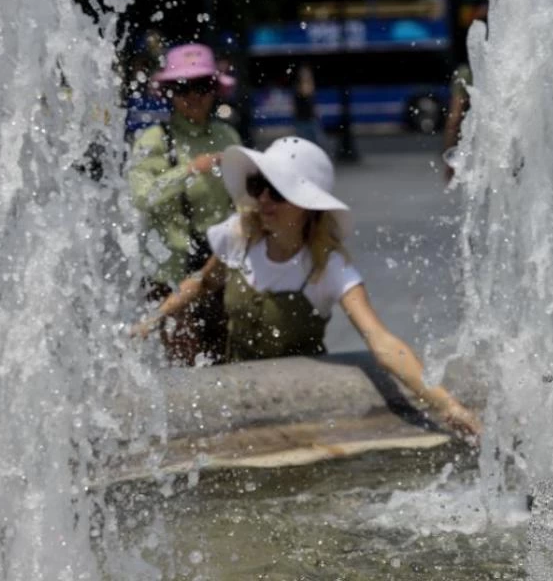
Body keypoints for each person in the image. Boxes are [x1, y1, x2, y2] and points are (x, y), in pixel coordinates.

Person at [132, 137, 482, 438]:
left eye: (278, 191)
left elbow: (381, 341)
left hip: (299, 411)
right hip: (235, 401)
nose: (264, 200)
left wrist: (447, 404)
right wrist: (151, 320)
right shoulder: (239, 237)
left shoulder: (328, 268)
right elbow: (202, 282)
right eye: (257, 186)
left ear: (308, 205)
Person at [128, 43, 242, 366]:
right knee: (186, 366)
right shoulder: (153, 139)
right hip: (170, 276)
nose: (193, 96)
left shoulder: (228, 136)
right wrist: (190, 170)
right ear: (169, 93)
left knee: (227, 360)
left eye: (202, 86)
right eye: (182, 87)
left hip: (219, 270)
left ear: (214, 90)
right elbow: (141, 196)